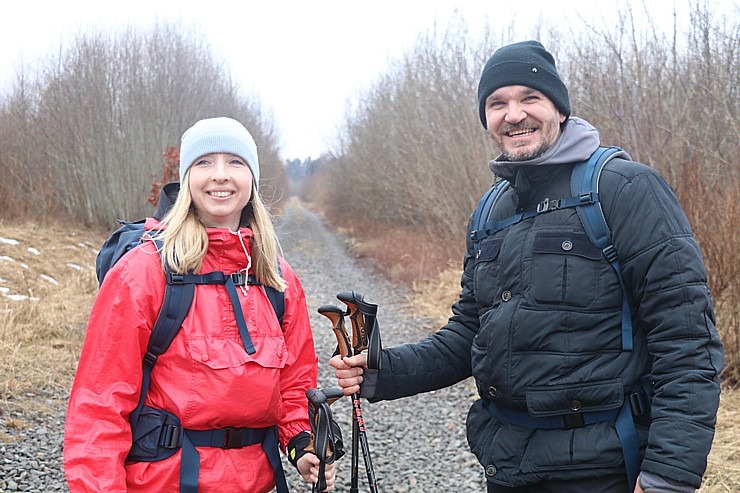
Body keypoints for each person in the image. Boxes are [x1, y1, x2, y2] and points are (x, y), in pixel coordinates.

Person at [331, 41, 724, 493]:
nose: (513, 115)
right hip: (507, 465)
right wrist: (380, 369)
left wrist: (668, 477)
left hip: (606, 469)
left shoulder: (625, 189)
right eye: (497, 103)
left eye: (529, 98)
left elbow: (687, 343)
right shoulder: (490, 209)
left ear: (558, 108)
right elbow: (470, 334)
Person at [64, 117, 335, 492]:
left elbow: (294, 384)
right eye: (204, 162)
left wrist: (300, 443)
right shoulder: (143, 272)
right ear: (186, 177)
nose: (220, 175)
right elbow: (99, 407)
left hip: (256, 482)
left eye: (235, 162)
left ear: (252, 180)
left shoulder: (277, 278)